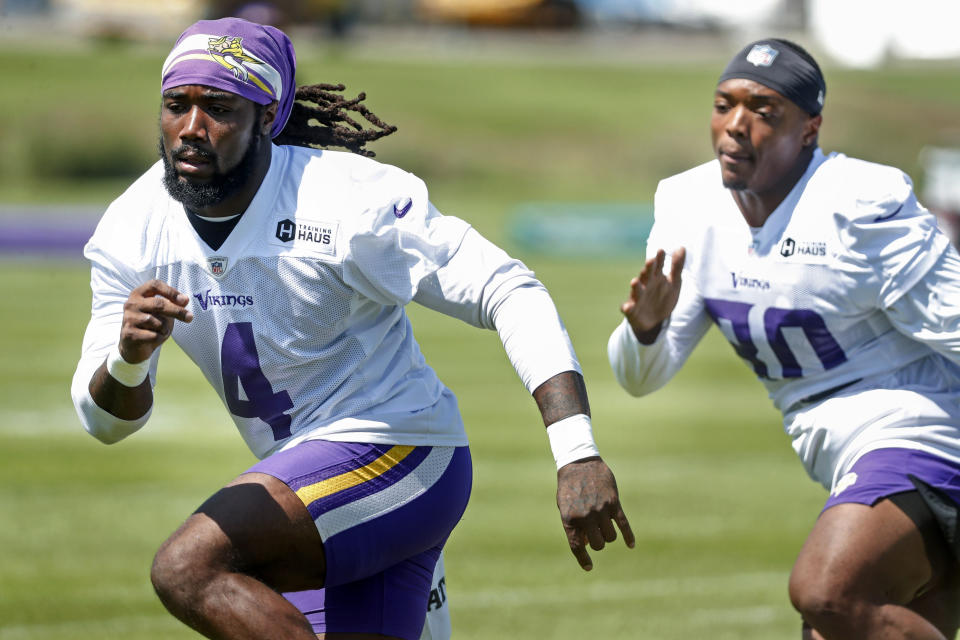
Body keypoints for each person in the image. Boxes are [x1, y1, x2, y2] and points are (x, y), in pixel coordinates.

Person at [70, 17, 633, 640]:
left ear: (267, 119)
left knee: (189, 566)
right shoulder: (134, 226)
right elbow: (106, 423)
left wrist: (577, 451)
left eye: (220, 108)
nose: (192, 130)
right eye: (176, 105)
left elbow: (508, 289)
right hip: (318, 493)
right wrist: (126, 358)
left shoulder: (344, 201)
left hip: (404, 453)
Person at [608, 38, 960, 640]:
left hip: (922, 427)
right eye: (724, 104)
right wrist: (644, 328)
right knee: (832, 628)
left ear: (809, 129)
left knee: (826, 591)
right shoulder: (687, 203)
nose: (736, 126)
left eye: (765, 111)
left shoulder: (859, 204)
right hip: (833, 447)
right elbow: (641, 377)